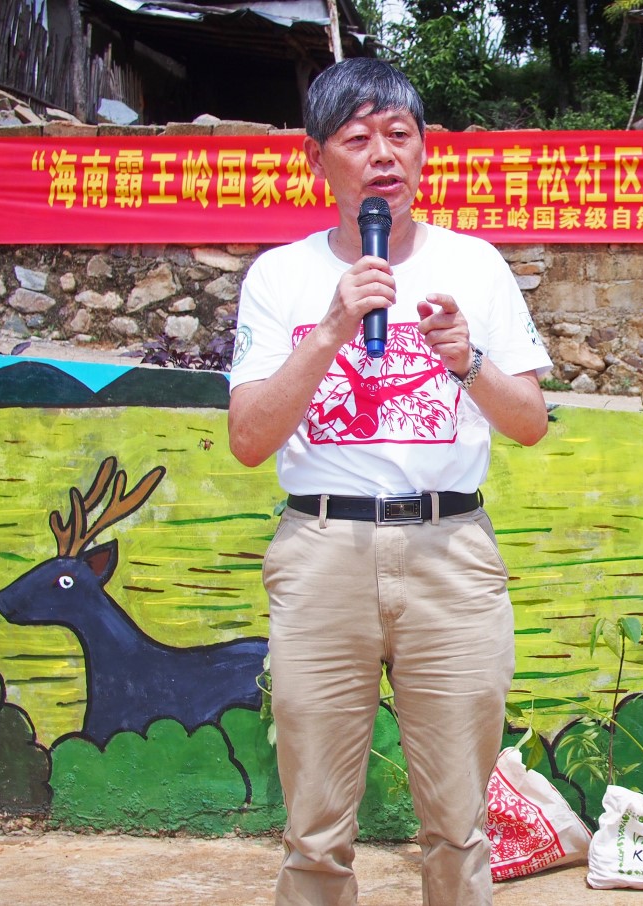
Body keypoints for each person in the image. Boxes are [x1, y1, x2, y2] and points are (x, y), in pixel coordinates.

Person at [227, 58, 551, 906]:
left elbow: (528, 421)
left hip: (450, 554)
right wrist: (333, 327)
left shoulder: (475, 265)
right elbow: (249, 439)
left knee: (456, 821)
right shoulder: (279, 276)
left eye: (399, 136)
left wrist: (467, 361)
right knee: (316, 826)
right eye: (357, 138)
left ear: (423, 153)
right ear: (316, 159)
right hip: (321, 550)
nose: (382, 155)